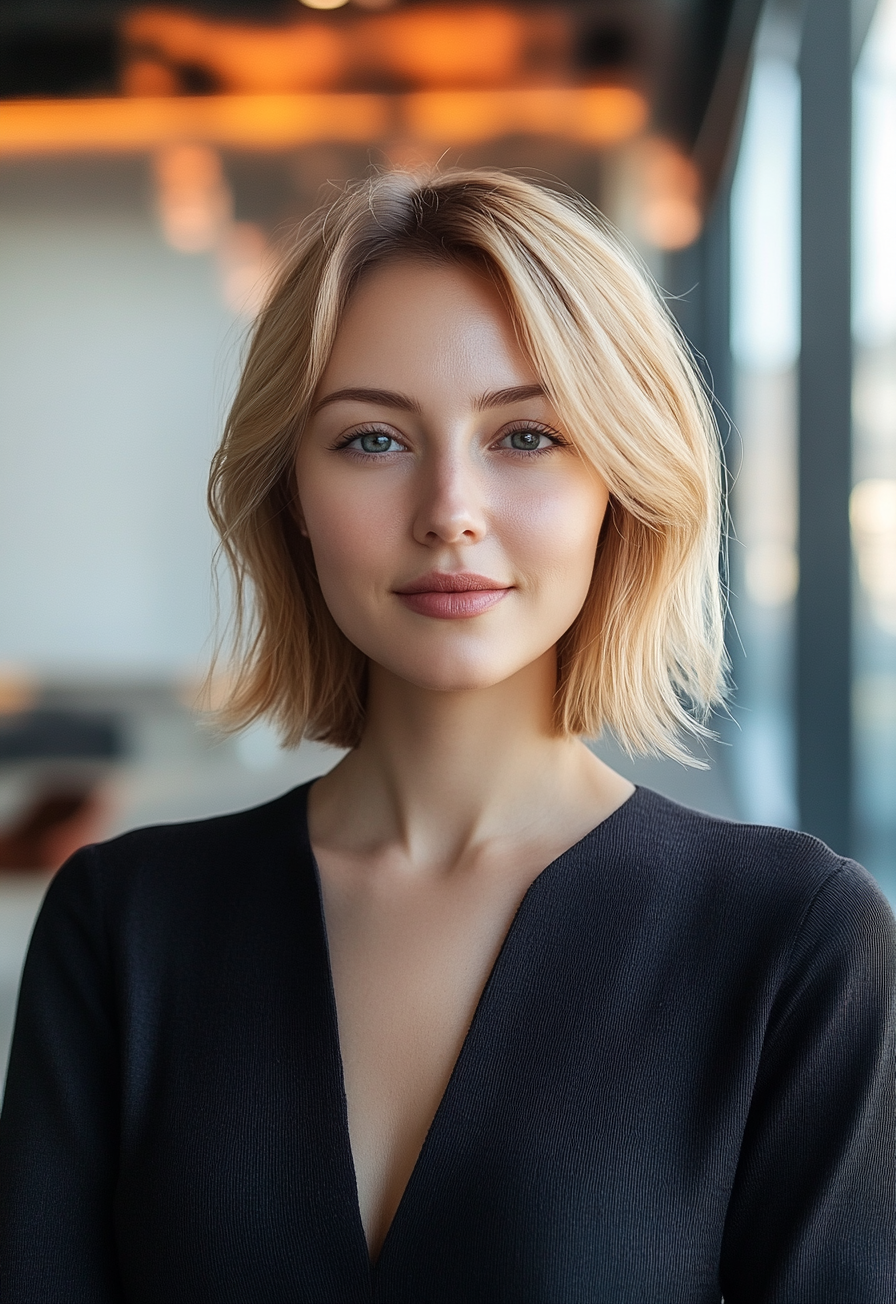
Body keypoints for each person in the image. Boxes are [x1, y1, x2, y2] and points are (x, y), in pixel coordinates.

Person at [0, 168, 893, 1303]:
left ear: (617, 486)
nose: (449, 510)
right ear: (291, 499)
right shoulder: (124, 926)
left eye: (524, 435)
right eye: (371, 441)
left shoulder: (793, 944)